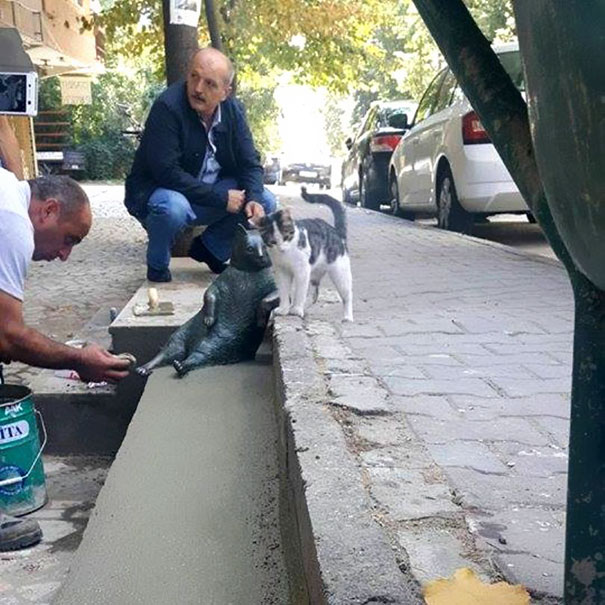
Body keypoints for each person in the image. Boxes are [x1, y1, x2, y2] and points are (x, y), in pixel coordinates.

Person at [0, 116, 131, 551]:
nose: (64, 256)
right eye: (69, 239)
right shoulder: (12, 223)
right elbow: (8, 337)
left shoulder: (8, 194)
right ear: (49, 210)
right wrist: (79, 359)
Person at [124, 47, 277, 282]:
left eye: (210, 84)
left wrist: (254, 197)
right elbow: (166, 172)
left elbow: (250, 163)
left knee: (266, 200)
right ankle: (157, 266)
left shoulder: (234, 112)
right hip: (164, 195)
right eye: (194, 77)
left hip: (208, 196)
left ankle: (210, 249)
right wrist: (219, 198)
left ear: (226, 92)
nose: (197, 89)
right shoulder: (168, 107)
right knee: (172, 207)